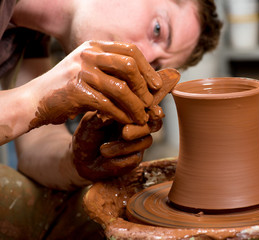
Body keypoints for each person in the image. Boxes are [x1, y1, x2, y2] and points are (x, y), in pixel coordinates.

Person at [0, 0, 222, 238]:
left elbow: (35, 144)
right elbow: (28, 107)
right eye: (158, 30)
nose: (142, 58)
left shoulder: (30, 35)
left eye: (155, 65)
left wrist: (78, 159)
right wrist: (35, 98)